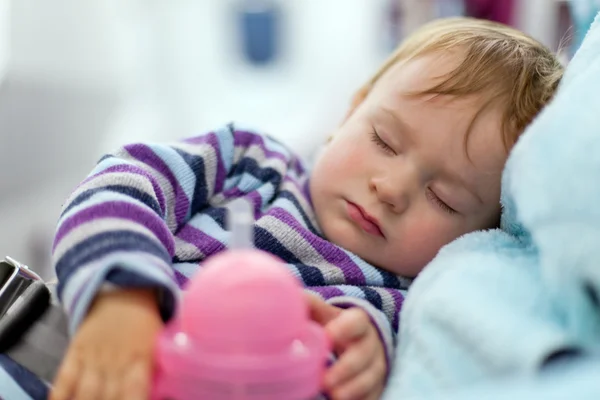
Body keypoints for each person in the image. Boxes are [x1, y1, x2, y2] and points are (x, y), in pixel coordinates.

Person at [0, 17, 563, 400]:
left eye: (445, 198)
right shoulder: (249, 160)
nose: (390, 187)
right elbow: (121, 186)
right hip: (50, 355)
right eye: (385, 141)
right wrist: (121, 296)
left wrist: (367, 358)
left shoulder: (392, 301)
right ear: (351, 111)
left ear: (480, 231)